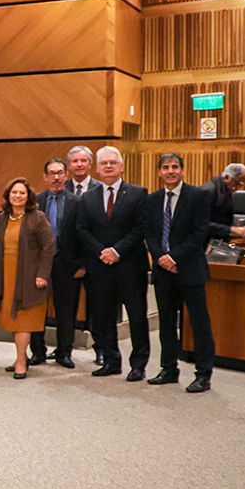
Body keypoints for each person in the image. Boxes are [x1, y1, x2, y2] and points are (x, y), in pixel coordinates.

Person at [75, 145, 150, 381]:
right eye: (104, 163)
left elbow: (141, 228)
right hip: (100, 267)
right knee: (103, 317)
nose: (108, 166)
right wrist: (102, 252)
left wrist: (117, 251)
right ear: (97, 169)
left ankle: (138, 364)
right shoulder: (88, 197)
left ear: (121, 167)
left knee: (137, 317)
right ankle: (110, 360)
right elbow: (82, 229)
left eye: (113, 162)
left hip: (130, 265)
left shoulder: (138, 193)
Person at [143, 153, 215, 393]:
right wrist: (162, 258)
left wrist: (174, 257)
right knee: (165, 323)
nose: (170, 171)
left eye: (175, 167)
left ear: (182, 170)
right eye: (165, 167)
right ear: (159, 172)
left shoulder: (198, 196)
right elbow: (150, 233)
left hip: (190, 270)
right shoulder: (152, 200)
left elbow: (199, 233)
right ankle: (168, 369)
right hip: (164, 273)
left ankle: (203, 374)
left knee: (199, 322)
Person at [0, 178, 54, 379]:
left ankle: (21, 361)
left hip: (30, 277)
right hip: (7, 275)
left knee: (23, 321)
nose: (17, 196)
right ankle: (20, 356)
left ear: (28, 197)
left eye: (22, 193)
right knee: (11, 319)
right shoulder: (3, 218)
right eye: (14, 193)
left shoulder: (37, 217)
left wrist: (42, 274)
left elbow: (48, 247)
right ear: (8, 196)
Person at [29, 159, 82, 368]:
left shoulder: (77, 202)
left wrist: (81, 264)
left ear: (66, 175)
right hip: (39, 264)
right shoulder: (35, 201)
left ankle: (64, 352)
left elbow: (83, 234)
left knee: (66, 310)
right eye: (51, 173)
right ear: (45, 177)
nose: (56, 178)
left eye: (60, 173)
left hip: (67, 263)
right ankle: (37, 351)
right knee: (37, 307)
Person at [65, 144, 104, 365]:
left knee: (97, 308)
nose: (79, 165)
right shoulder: (62, 188)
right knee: (67, 308)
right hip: (69, 261)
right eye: (75, 161)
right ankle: (64, 350)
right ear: (69, 165)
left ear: (90, 165)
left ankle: (100, 348)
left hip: (95, 259)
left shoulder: (101, 189)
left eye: (83, 161)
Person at [201, 162, 245, 240]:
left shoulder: (225, 191)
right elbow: (200, 224)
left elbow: (226, 221)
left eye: (242, 185)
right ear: (226, 178)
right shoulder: (207, 192)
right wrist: (232, 230)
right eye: (237, 183)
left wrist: (238, 230)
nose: (238, 188)